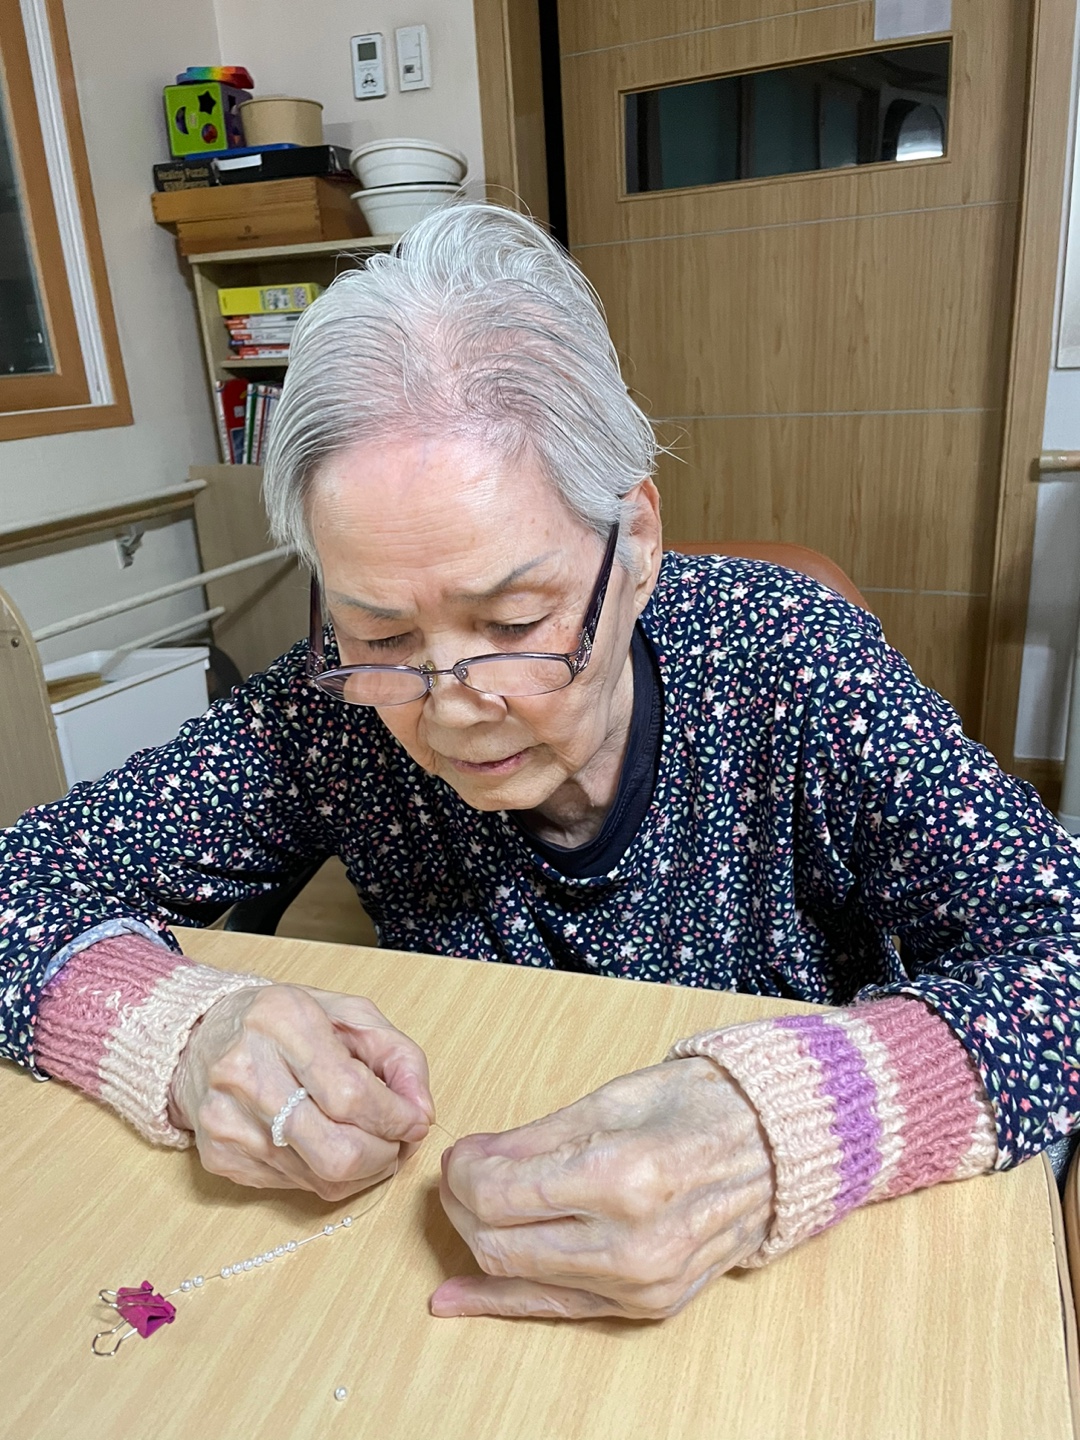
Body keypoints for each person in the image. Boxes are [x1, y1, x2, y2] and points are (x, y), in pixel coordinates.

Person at [3, 203, 1079, 1323]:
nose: (453, 704)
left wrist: (780, 1131)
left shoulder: (794, 661)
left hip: (802, 1274)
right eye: (381, 633)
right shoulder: (328, 715)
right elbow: (17, 881)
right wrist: (183, 1032)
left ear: (637, 542)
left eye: (515, 623)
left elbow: (1065, 946)